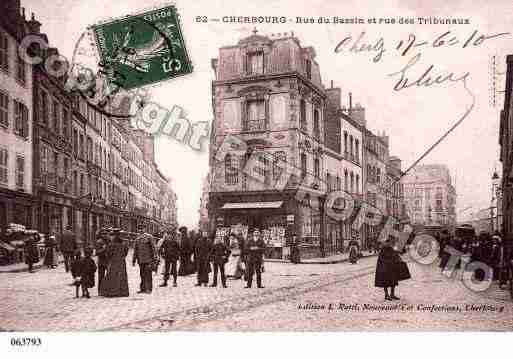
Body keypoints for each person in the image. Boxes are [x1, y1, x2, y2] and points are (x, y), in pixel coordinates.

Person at [100, 229, 129, 297]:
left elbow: (108, 254)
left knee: (113, 276)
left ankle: (113, 292)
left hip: (113, 262)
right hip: (121, 262)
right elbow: (126, 252)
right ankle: (123, 292)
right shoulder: (124, 243)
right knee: (122, 276)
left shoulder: (111, 244)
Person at [132, 227, 158, 294]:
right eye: (139, 229)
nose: (140, 230)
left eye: (142, 229)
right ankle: (143, 288)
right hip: (141, 260)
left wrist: (155, 257)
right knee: (142, 274)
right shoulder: (137, 239)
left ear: (145, 229)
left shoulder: (149, 237)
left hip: (148, 259)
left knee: (148, 274)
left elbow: (154, 247)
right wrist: (134, 260)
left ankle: (149, 289)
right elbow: (135, 250)